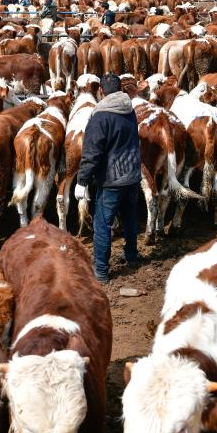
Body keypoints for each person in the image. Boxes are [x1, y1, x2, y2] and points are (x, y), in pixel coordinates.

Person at [76, 74, 141, 283]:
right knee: (130, 218)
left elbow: (92, 152)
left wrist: (82, 180)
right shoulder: (129, 110)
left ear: (101, 91)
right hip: (132, 175)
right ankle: (132, 256)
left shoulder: (100, 116)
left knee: (103, 224)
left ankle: (101, 271)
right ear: (120, 89)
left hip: (111, 179)